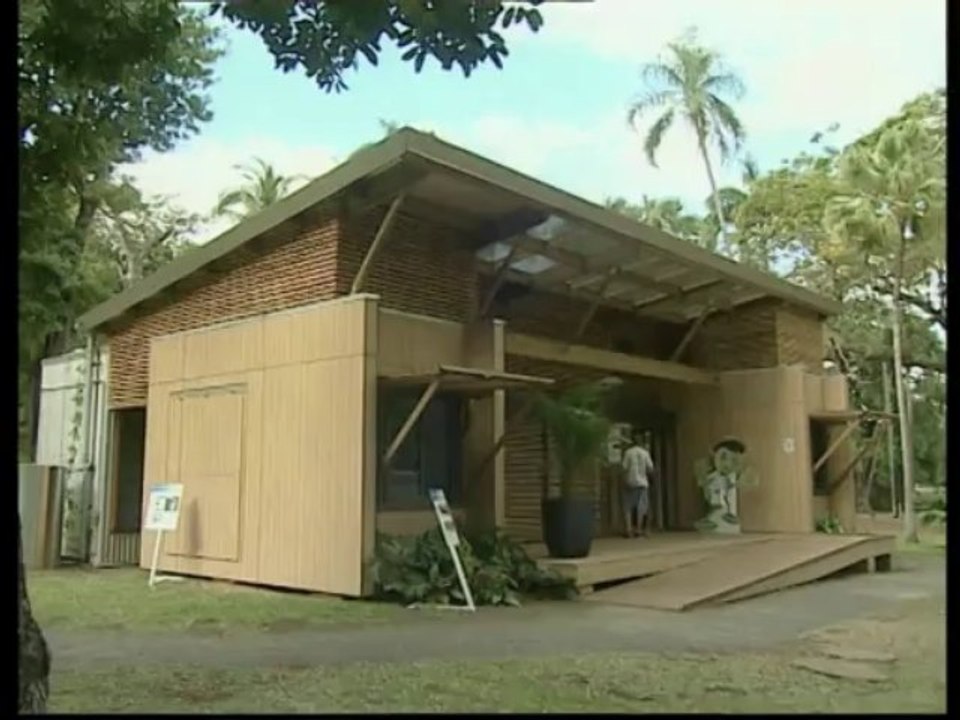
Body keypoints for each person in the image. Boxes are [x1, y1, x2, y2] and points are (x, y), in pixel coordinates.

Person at [621, 431, 655, 538]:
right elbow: (650, 468)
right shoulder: (645, 453)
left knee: (628, 506)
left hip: (630, 482)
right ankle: (639, 529)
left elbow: (624, 468)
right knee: (642, 507)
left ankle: (628, 529)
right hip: (642, 483)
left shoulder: (628, 452)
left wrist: (624, 480)